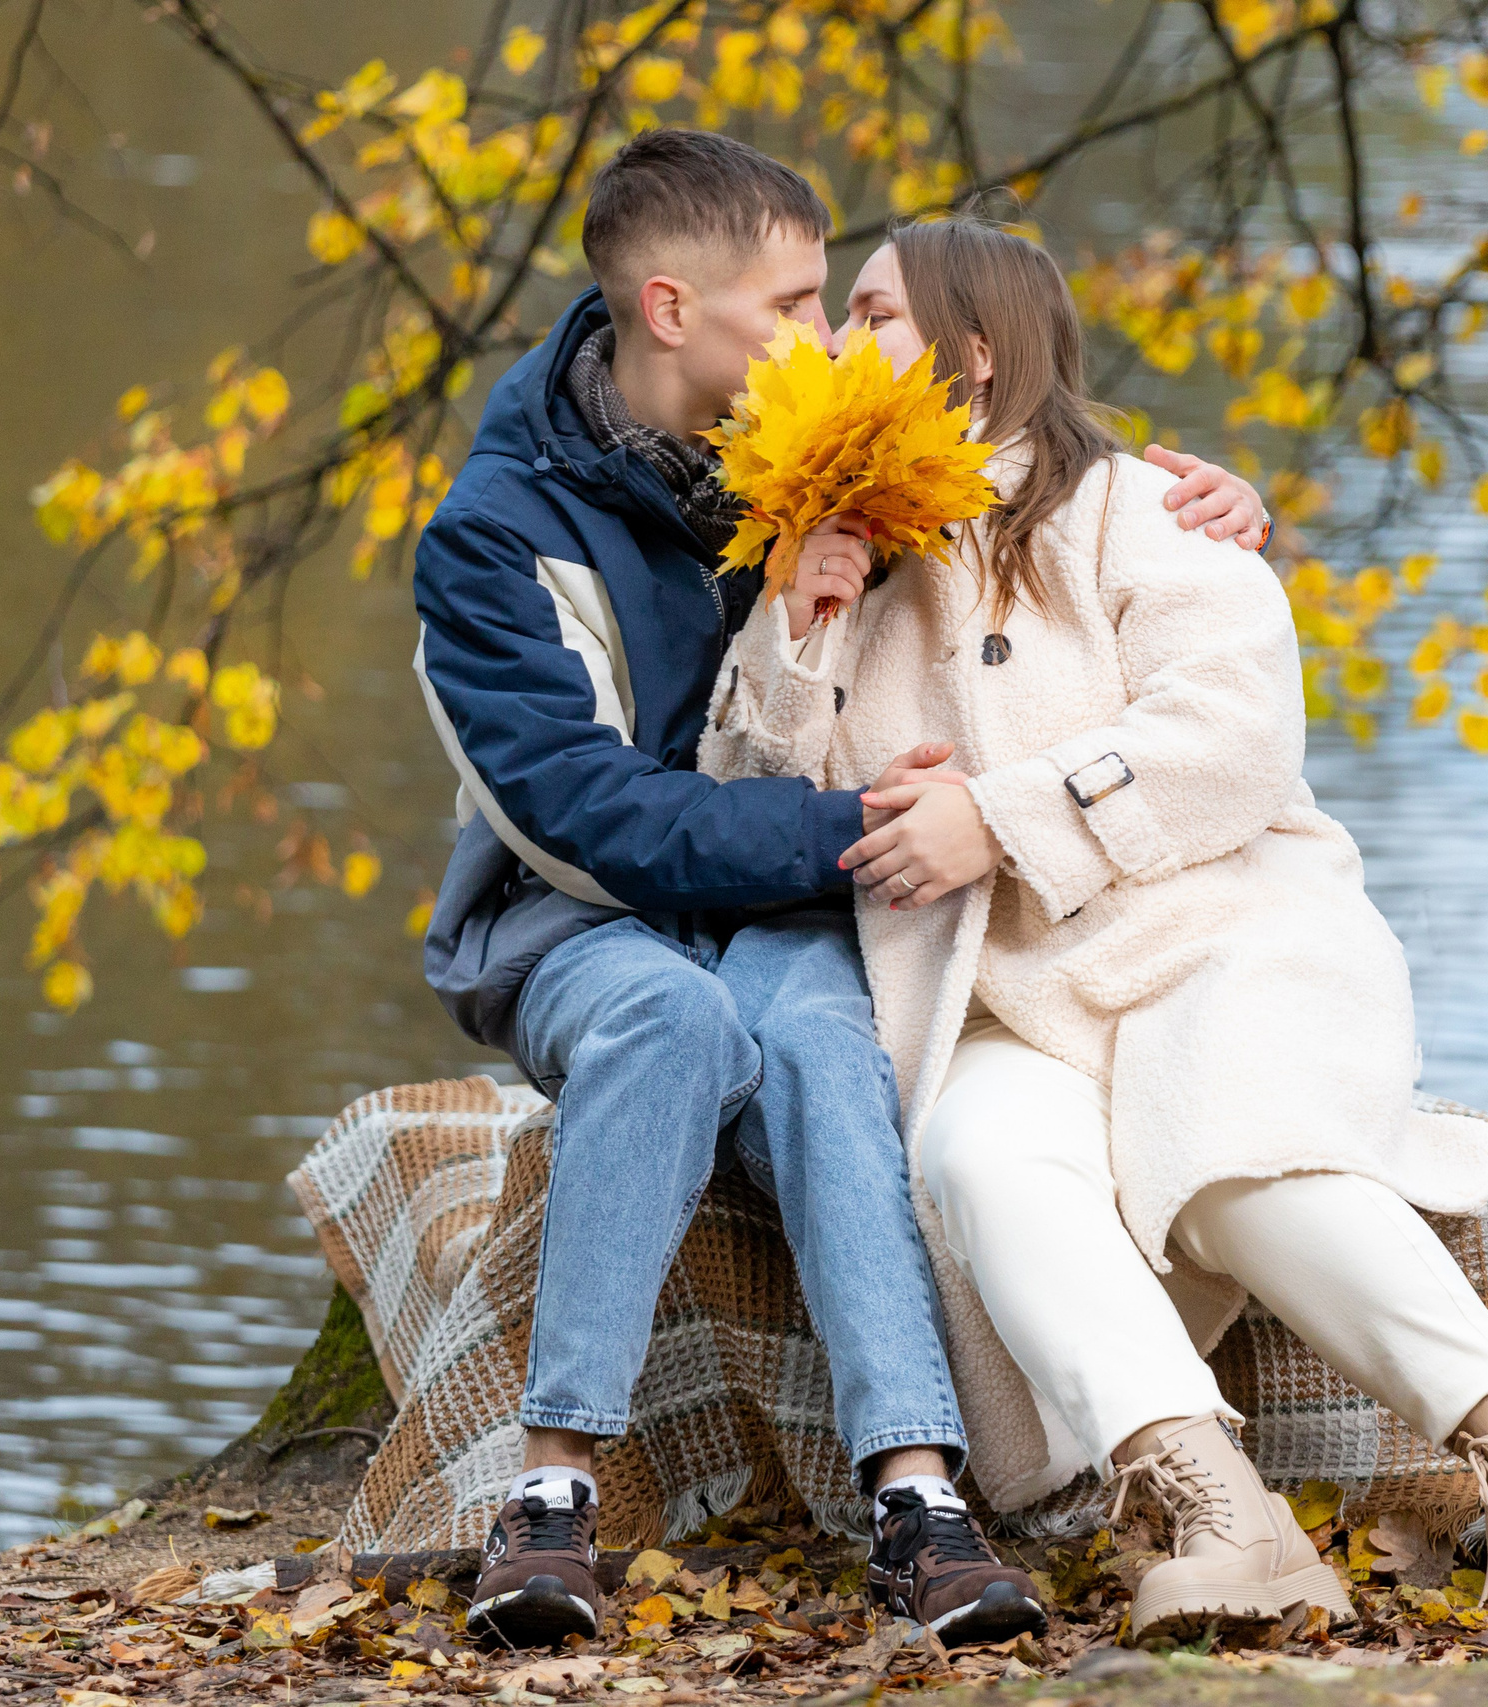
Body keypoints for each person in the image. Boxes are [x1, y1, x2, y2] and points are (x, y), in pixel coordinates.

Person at [697, 217, 1488, 1646]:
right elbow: (741, 812)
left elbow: (1233, 733)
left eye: (874, 314)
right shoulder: (830, 553)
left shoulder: (1144, 509)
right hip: (1002, 993)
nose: (839, 345)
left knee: (1237, 1165)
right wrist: (800, 632)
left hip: (1211, 949)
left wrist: (1003, 819)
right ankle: (1221, 1511)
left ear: (974, 352)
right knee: (978, 1156)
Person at [412, 132, 1267, 1647]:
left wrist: (1204, 502)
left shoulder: (815, 447)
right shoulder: (494, 539)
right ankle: (550, 1497)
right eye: (792, 306)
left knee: (821, 1044)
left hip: (790, 920)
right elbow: (585, 818)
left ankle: (917, 1502)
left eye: (829, 301)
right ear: (671, 310)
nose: (823, 340)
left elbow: (1029, 478)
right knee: (668, 1023)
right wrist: (847, 830)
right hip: (580, 920)